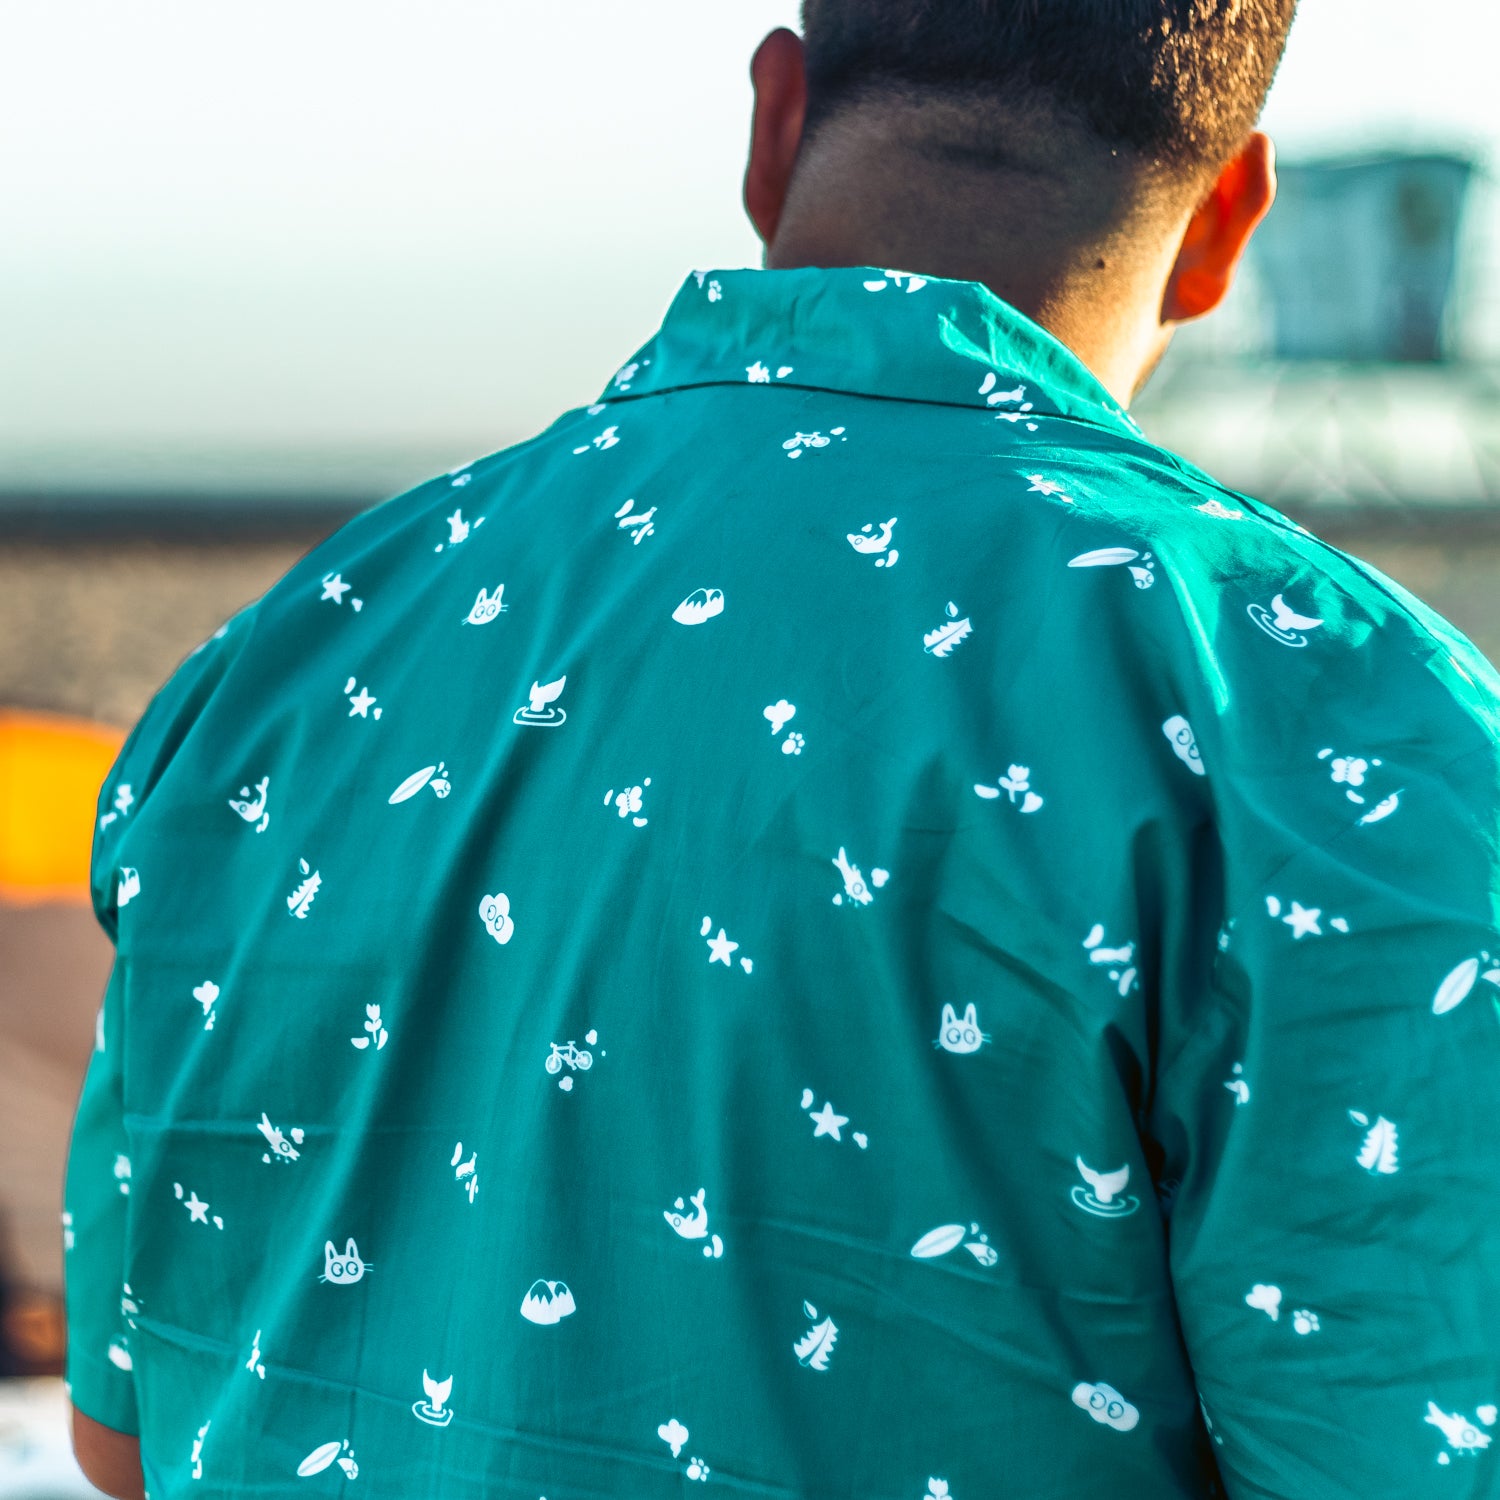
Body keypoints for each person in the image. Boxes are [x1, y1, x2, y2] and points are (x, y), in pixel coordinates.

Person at [65, 3, 1500, 1497]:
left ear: (774, 123)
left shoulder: (298, 657)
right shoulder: (1328, 727)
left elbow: (122, 1429)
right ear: (1231, 220)